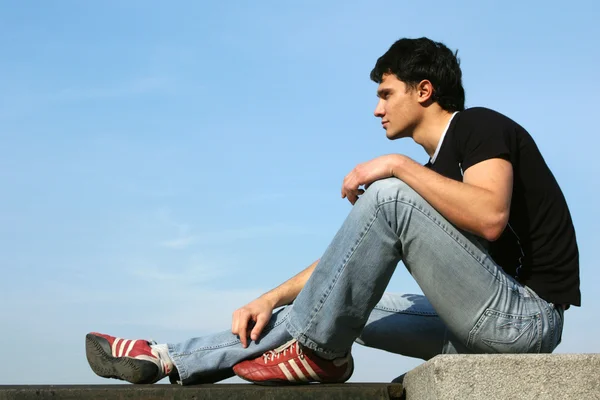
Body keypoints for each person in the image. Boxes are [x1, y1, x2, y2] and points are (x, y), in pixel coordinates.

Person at [85, 37, 580, 386]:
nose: (376, 109)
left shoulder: (479, 127)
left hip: (524, 321)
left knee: (388, 195)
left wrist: (395, 166)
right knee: (333, 300)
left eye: (386, 93)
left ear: (423, 90)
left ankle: (319, 353)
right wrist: (271, 295)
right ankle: (169, 359)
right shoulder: (429, 171)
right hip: (472, 320)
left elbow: (491, 213)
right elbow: (348, 266)